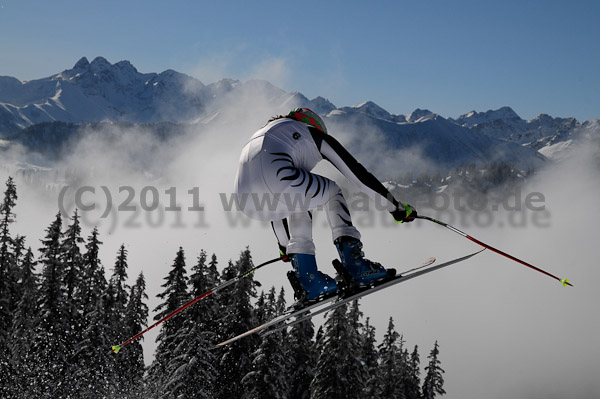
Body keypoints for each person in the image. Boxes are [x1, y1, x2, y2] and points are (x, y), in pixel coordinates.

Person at [235, 108, 416, 306]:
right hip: (279, 182)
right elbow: (357, 175)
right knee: (332, 192)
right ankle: (357, 268)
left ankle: (309, 280)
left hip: (245, 202)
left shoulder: (265, 134)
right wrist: (395, 207)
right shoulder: (312, 133)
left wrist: (285, 247)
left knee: (297, 201)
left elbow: (273, 199)